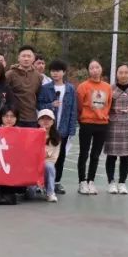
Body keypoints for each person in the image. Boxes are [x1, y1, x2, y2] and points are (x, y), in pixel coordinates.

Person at [38, 59, 78, 194]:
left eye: (58, 71)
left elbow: (73, 110)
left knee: (60, 156)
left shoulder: (70, 89)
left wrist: (72, 129)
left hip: (63, 128)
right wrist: (51, 105)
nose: (55, 74)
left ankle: (56, 182)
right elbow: (39, 105)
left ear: (64, 72)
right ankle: (41, 181)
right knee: (44, 155)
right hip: (47, 128)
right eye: (53, 71)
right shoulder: (45, 88)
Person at [75, 59, 112, 195]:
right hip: (86, 123)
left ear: (101, 69)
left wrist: (103, 116)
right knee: (84, 153)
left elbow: (108, 104)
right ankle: (82, 182)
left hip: (102, 124)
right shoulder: (83, 86)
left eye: (97, 67)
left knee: (95, 155)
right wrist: (83, 118)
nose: (95, 70)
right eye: (92, 68)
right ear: (88, 71)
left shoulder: (107, 87)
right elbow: (79, 105)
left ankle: (91, 181)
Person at [105, 63, 128, 195]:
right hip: (113, 126)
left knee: (126, 156)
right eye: (120, 72)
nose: (123, 75)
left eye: (126, 72)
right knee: (111, 155)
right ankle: (111, 182)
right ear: (116, 74)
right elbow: (106, 107)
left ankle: (122, 183)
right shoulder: (110, 89)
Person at [5, 45, 43, 126]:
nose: (26, 59)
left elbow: (38, 96)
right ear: (18, 58)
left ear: (33, 58)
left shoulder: (38, 76)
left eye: (29, 56)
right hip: (14, 118)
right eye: (23, 56)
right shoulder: (10, 74)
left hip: (32, 118)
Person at [38, 109, 61, 203]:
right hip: (33, 163)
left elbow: (47, 155)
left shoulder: (56, 137)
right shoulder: (33, 134)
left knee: (49, 167)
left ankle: (50, 193)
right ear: (38, 121)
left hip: (47, 162)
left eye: (48, 119)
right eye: (43, 118)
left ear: (53, 122)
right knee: (30, 194)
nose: (46, 121)